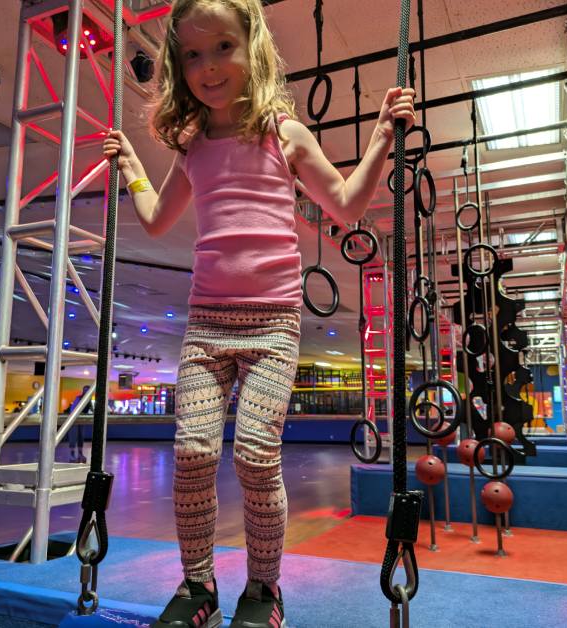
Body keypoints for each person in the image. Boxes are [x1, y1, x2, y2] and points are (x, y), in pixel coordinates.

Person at [101, 1, 414, 626]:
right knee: (191, 450)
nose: (207, 67)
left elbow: (348, 205)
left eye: (221, 47)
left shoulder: (283, 133)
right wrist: (134, 167)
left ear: (254, 50)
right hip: (205, 327)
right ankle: (199, 588)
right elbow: (158, 220)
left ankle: (264, 591)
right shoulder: (192, 146)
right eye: (191, 54)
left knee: (252, 452)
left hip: (272, 326)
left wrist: (382, 135)